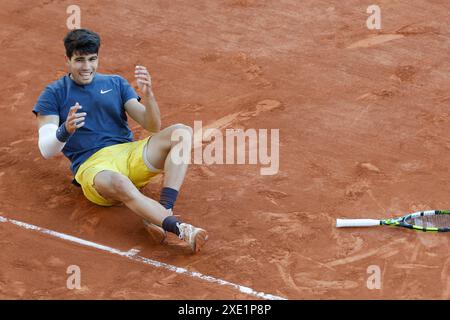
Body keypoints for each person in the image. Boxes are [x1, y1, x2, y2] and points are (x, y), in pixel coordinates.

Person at [32, 28, 208, 253]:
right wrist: (65, 130)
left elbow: (152, 125)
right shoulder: (53, 94)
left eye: (92, 59)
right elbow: (46, 149)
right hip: (93, 167)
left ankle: (163, 210)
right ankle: (181, 229)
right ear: (67, 60)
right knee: (120, 183)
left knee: (181, 132)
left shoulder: (115, 83)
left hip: (129, 154)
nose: (87, 67)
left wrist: (150, 96)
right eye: (79, 60)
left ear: (98, 58)